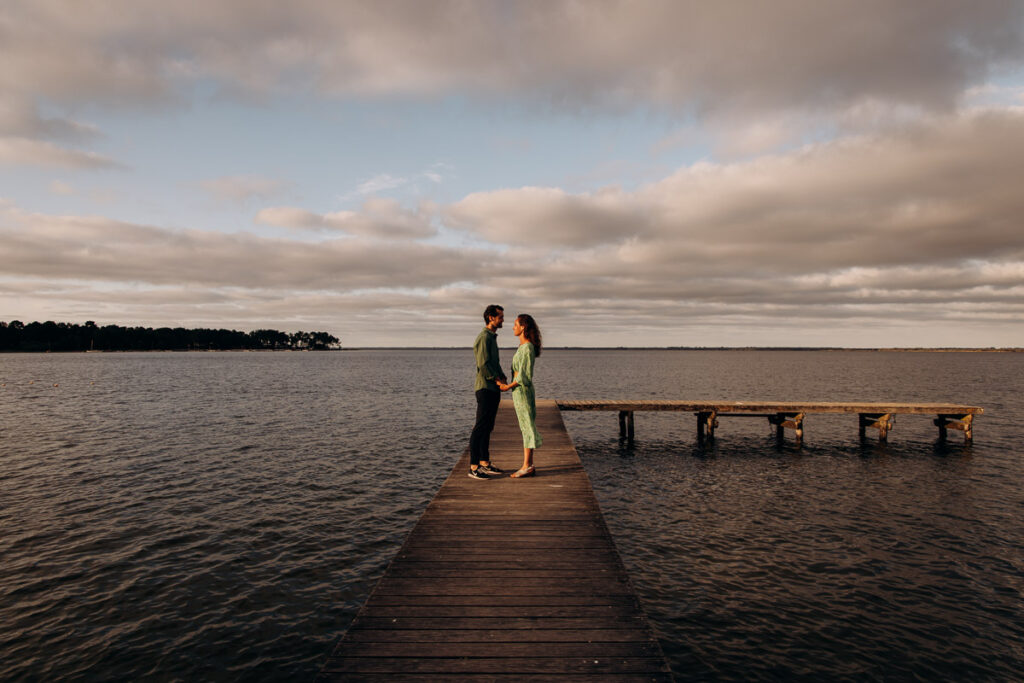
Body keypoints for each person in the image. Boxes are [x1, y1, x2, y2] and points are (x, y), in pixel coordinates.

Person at [497, 314, 542, 478]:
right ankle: (528, 465)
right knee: (525, 426)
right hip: (518, 392)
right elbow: (517, 372)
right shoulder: (522, 347)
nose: (513, 327)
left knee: (527, 425)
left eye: (515, 324)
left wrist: (507, 386)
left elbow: (525, 376)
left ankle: (527, 466)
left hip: (523, 391)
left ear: (523, 327)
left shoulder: (528, 347)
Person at [468, 304, 508, 479]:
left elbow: (493, 363)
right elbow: (483, 365)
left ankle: (484, 462)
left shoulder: (492, 337)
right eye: (500, 316)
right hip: (485, 388)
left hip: (492, 387)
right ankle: (474, 467)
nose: (503, 320)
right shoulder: (484, 337)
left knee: (488, 427)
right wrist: (497, 380)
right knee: (480, 427)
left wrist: (502, 376)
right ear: (490, 317)